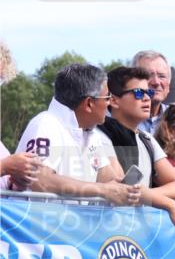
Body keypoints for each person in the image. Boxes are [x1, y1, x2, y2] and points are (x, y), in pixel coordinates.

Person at [91, 66, 175, 240]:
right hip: (105, 235)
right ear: (114, 100)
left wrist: (144, 197)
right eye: (139, 93)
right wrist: (167, 203)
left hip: (138, 235)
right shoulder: (98, 135)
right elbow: (122, 192)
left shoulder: (146, 139)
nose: (148, 98)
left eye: (148, 92)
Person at [15, 63, 140, 206]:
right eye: (107, 97)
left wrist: (122, 188)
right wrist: (103, 190)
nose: (110, 102)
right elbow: (39, 180)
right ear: (88, 104)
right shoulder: (45, 124)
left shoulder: (92, 133)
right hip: (36, 226)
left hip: (69, 225)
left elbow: (107, 178)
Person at [133, 50, 172, 135]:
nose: (156, 82)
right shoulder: (119, 118)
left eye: (161, 76)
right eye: (148, 75)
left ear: (168, 85)